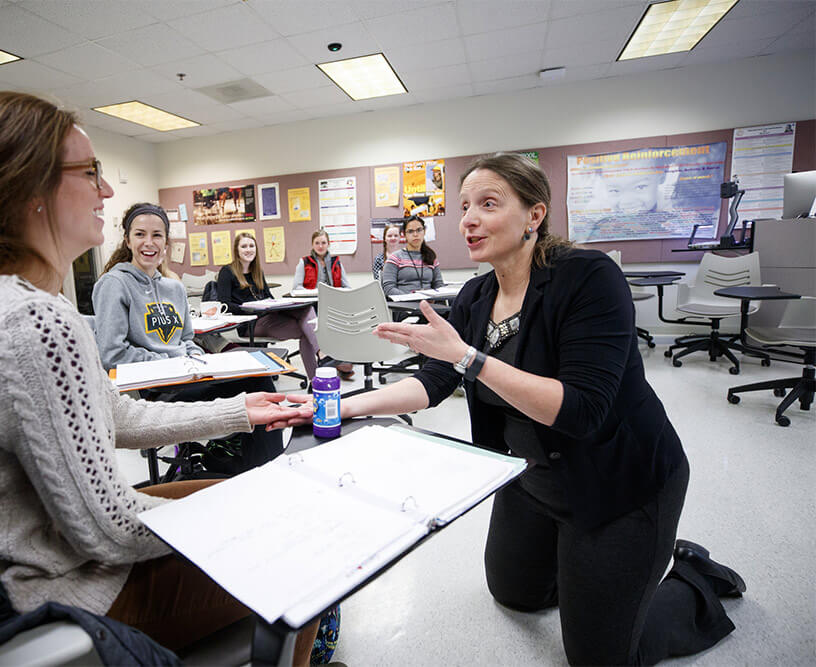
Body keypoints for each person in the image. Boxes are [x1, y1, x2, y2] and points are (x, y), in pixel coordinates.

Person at [0, 92, 317, 665]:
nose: (107, 191)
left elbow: (116, 415)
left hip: (34, 553)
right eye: (92, 173)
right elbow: (109, 531)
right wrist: (221, 526)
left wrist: (241, 411)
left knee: (239, 497)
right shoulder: (31, 321)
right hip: (50, 591)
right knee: (304, 544)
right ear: (31, 190)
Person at [319, 152, 744, 665]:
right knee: (514, 594)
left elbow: (582, 410)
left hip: (618, 484)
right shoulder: (477, 295)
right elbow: (434, 382)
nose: (468, 219)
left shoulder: (588, 278)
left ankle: (691, 578)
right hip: (532, 476)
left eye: (488, 204)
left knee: (601, 657)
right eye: (464, 206)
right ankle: (595, 577)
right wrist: (335, 406)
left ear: (534, 216)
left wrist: (468, 357)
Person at [92, 201, 285, 471]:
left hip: (189, 375)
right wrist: (172, 359)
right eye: (140, 234)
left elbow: (188, 340)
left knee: (258, 374)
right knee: (254, 387)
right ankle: (260, 467)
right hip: (155, 391)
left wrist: (195, 357)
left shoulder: (173, 287)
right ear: (127, 240)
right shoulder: (114, 284)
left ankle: (247, 462)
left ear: (166, 243)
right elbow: (112, 355)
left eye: (157, 235)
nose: (149, 242)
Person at [216, 231, 319, 380]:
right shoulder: (227, 272)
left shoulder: (257, 271)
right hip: (249, 324)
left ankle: (316, 378)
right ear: (236, 250)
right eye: (244, 246)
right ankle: (322, 358)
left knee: (306, 311)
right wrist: (249, 307)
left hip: (267, 317)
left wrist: (275, 304)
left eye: (252, 246)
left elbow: (268, 297)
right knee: (306, 329)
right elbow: (224, 304)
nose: (248, 249)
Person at [291, 228, 354, 379]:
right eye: (317, 243)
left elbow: (347, 286)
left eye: (323, 243)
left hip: (333, 303)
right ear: (312, 245)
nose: (320, 246)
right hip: (312, 304)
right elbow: (296, 287)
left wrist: (336, 293)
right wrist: (317, 291)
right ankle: (328, 357)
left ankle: (342, 360)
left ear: (328, 244)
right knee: (319, 324)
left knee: (346, 320)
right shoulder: (304, 262)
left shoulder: (336, 261)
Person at [380, 215, 444, 296]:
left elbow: (439, 285)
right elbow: (388, 288)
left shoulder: (431, 257)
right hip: (405, 305)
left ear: (424, 231)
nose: (415, 234)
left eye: (419, 230)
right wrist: (412, 298)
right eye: (410, 231)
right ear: (404, 234)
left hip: (429, 304)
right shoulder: (394, 258)